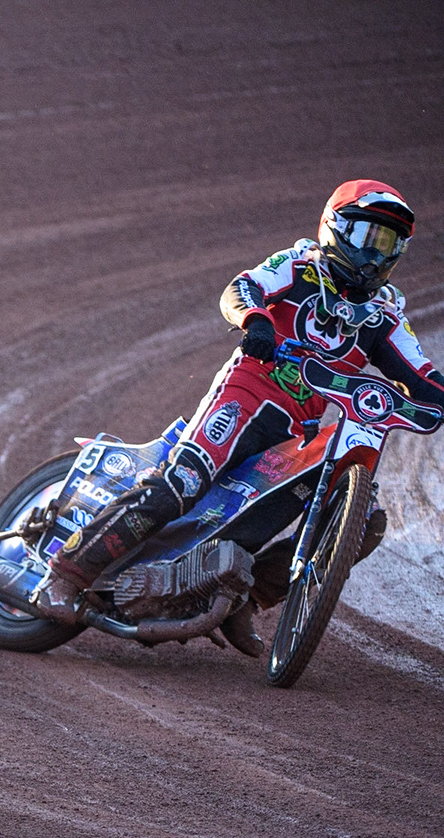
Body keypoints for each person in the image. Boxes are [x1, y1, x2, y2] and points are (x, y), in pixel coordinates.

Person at [31, 180, 444, 627]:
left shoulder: (385, 315)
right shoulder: (300, 265)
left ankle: (244, 601)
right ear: (335, 227)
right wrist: (256, 321)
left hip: (298, 432)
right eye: (369, 237)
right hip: (245, 394)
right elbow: (241, 288)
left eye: (390, 244)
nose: (377, 255)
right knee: (183, 483)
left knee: (359, 521)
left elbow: (421, 373)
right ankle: (64, 576)